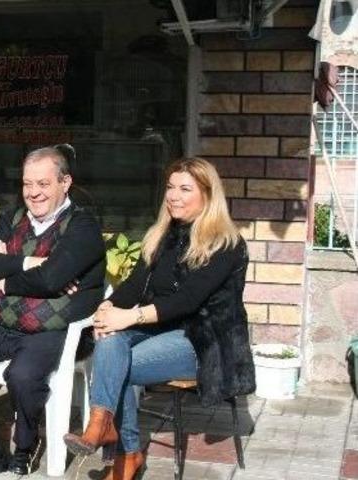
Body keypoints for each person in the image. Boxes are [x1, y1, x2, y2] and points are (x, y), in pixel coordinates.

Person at [63, 157, 255, 480]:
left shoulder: (227, 244)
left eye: (184, 189)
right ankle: (102, 428)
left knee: (115, 361)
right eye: (170, 187)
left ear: (208, 195)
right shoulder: (163, 236)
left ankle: (122, 450)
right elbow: (134, 287)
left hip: (202, 341)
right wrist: (106, 310)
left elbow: (188, 300)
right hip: (158, 330)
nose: (173, 196)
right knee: (112, 342)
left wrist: (131, 316)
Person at [0, 146, 106, 477]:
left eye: (43, 184)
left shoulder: (82, 226)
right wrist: (27, 263)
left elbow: (52, 276)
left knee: (22, 376)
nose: (33, 193)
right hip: (0, 320)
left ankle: (26, 444)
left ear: (65, 182)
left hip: (48, 330)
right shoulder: (12, 217)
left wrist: (6, 280)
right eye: (28, 184)